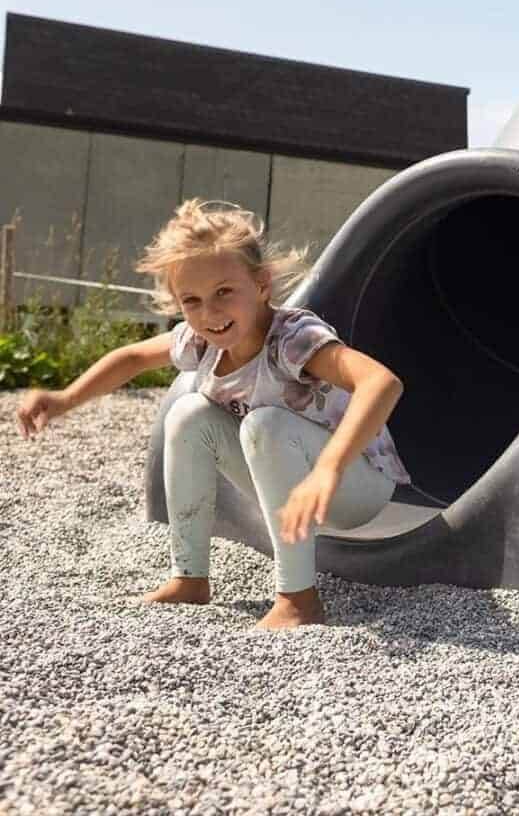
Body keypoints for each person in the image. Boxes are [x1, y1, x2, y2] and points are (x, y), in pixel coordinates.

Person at [16, 198, 410, 630]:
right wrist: (64, 398)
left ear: (261, 285)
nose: (210, 313)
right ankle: (189, 579)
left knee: (265, 425)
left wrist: (329, 467)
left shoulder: (292, 339)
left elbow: (381, 382)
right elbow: (132, 358)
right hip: (293, 477)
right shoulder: (201, 341)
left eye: (224, 292)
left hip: (356, 485)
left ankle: (299, 599)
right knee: (188, 413)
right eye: (192, 300)